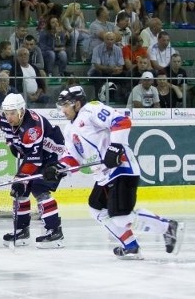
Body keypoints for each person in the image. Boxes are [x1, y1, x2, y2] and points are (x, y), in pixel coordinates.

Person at [54, 86, 184, 259]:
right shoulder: (69, 129)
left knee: (121, 217)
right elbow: (73, 157)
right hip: (103, 176)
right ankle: (131, 246)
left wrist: (115, 148)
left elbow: (121, 121)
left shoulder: (91, 109)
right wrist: (58, 168)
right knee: (96, 209)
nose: (62, 110)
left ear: (77, 104)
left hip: (121, 169)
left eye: (65, 105)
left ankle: (167, 227)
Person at [0, 93, 66, 247]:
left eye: (13, 113)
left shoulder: (32, 128)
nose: (9, 117)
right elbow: (10, 137)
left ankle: (55, 231)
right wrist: (14, 146)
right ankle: (22, 230)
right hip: (35, 154)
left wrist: (21, 178)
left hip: (54, 155)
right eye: (7, 113)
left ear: (21, 111)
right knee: (20, 191)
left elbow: (34, 159)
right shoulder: (4, 119)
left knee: (39, 188)